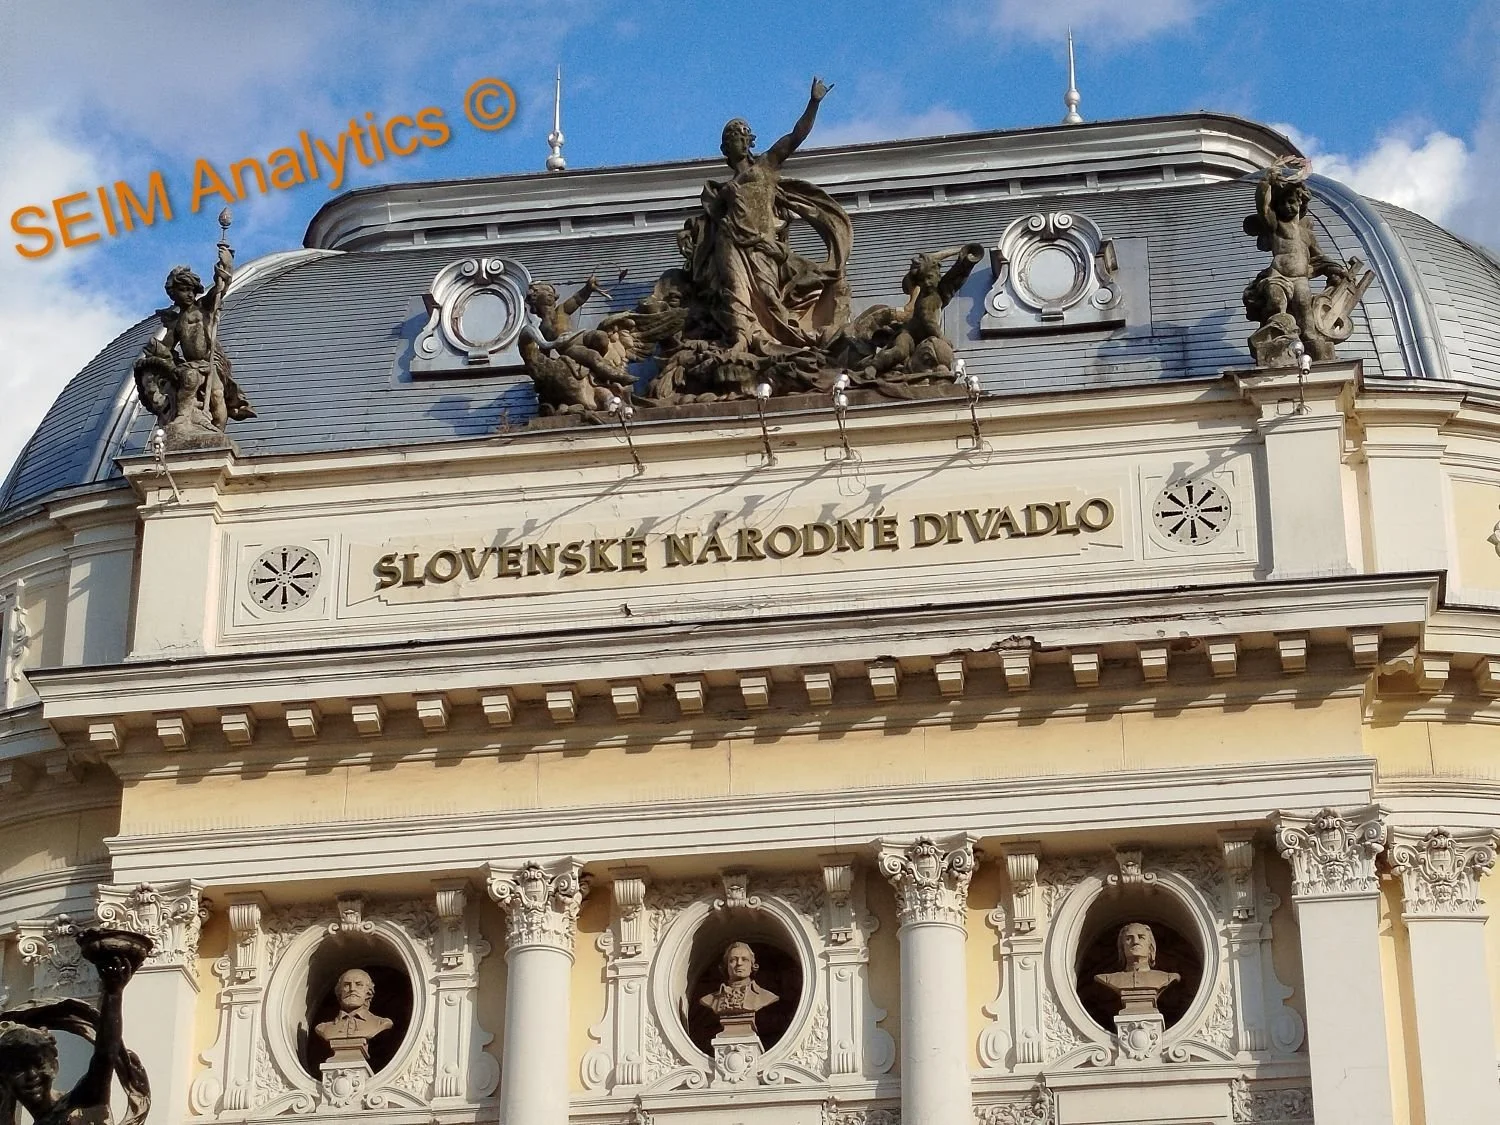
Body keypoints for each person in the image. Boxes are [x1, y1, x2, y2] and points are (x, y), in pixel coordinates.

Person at [692, 77, 852, 353]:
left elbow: (796, 136)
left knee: (767, 293)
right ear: (724, 149)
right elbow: (708, 225)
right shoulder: (719, 191)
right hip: (730, 242)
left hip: (762, 246)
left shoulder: (766, 166)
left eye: (744, 137)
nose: (740, 142)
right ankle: (741, 338)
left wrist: (813, 103)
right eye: (734, 139)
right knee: (734, 289)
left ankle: (783, 336)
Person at [0, 948, 149, 1125]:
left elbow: (105, 1056)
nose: (32, 1075)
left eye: (39, 1064)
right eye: (19, 1069)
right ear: (4, 1077)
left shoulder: (80, 1101)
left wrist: (113, 993)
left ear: (54, 1066)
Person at [1093, 922, 1180, 1016]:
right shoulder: (1108, 979)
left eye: (1141, 937)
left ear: (1150, 947)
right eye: (1129, 938)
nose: (1135, 942)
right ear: (1122, 947)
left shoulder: (1166, 977)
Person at [699, 941, 779, 1018]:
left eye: (744, 959)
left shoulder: (766, 996)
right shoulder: (710, 999)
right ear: (726, 967)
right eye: (733, 960)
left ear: (752, 966)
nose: (739, 963)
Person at [314, 968, 394, 1045]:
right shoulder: (323, 1028)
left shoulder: (381, 1023)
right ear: (339, 992)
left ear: (368, 992)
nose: (352, 989)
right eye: (346, 985)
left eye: (358, 985)